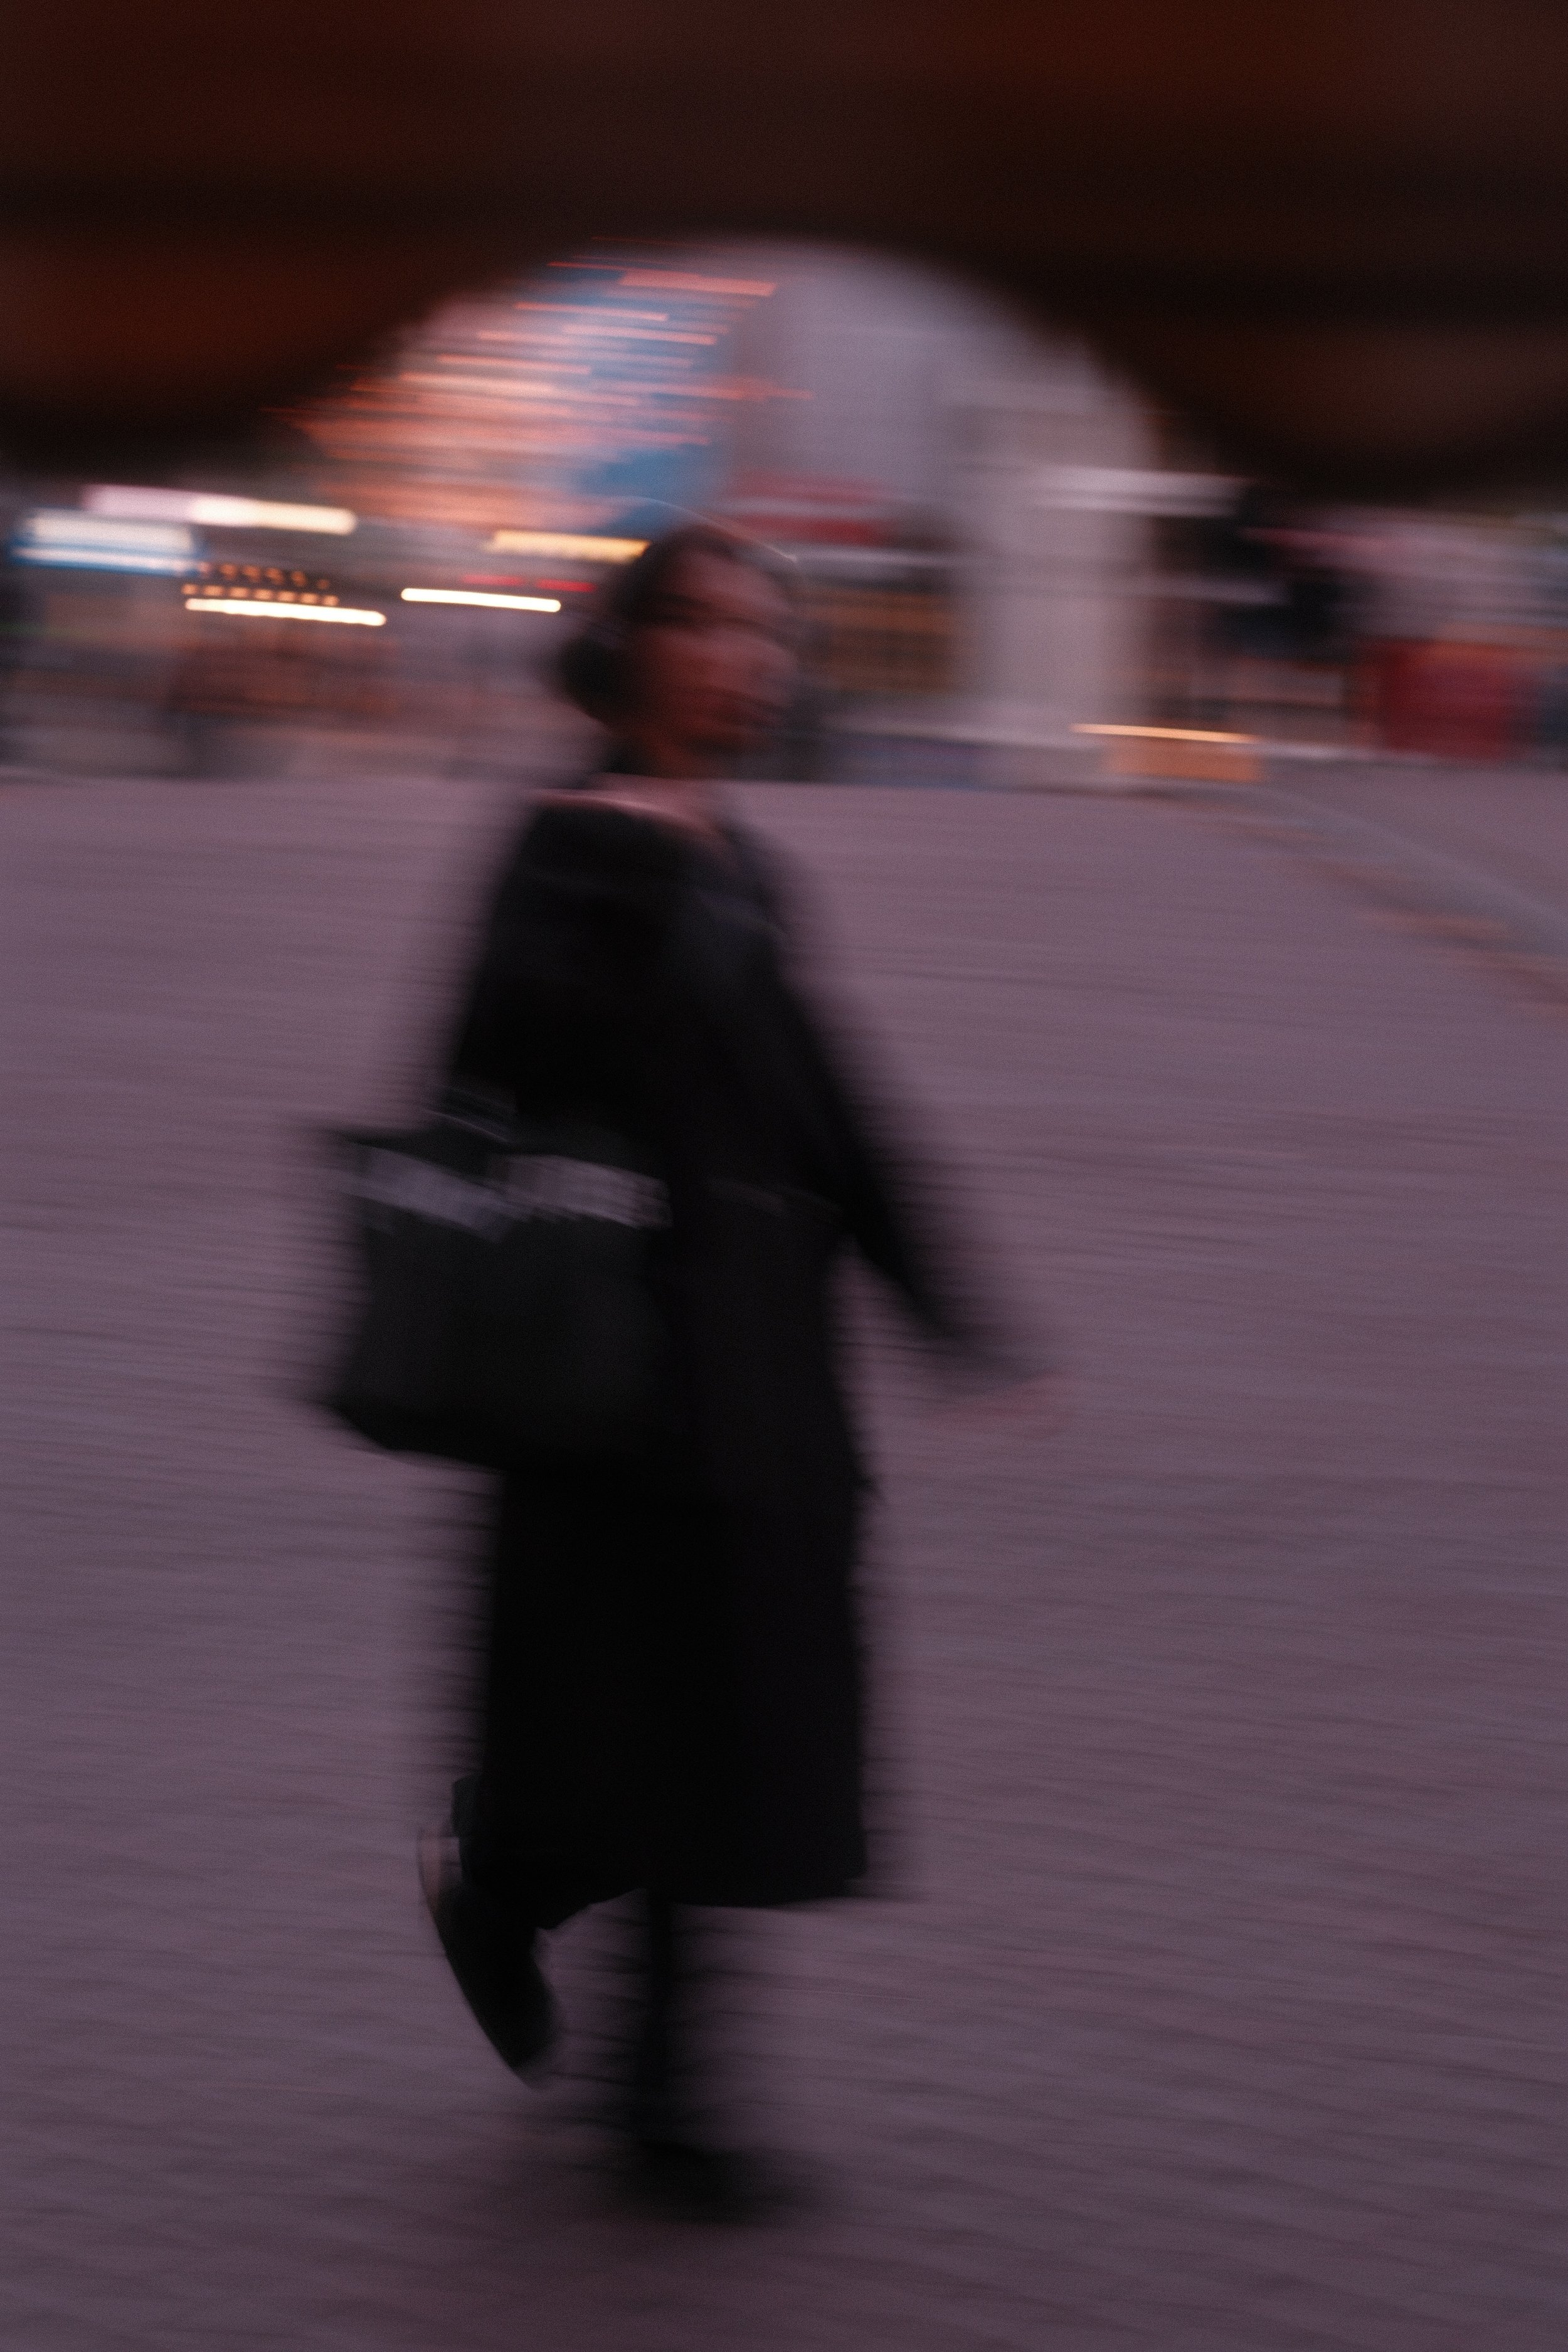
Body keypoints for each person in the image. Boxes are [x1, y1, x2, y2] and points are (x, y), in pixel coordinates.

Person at [425, 523, 1017, 2215]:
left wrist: (946, 1304)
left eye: (770, 636)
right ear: (631, 651)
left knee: (722, 1732)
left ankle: (660, 2098)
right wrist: (622, 896)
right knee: (623, 1736)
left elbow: (833, 1110)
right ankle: (510, 1893)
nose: (750, 663)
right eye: (713, 630)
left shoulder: (750, 864)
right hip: (606, 1382)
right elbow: (479, 1072)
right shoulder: (564, 847)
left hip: (754, 1379)